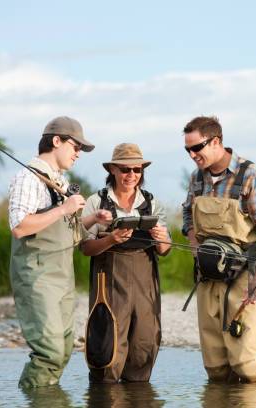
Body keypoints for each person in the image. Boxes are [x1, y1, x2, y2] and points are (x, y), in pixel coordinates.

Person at [9, 116, 111, 388]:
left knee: (64, 349)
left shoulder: (59, 181)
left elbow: (67, 232)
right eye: (75, 146)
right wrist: (64, 209)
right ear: (56, 141)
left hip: (62, 278)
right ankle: (33, 398)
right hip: (38, 277)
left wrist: (92, 220)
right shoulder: (27, 178)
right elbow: (19, 227)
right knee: (49, 353)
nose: (78, 154)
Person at [181, 116, 256, 383]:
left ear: (216, 142)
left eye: (196, 147)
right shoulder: (196, 179)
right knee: (215, 366)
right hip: (206, 277)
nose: (192, 155)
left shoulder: (255, 178)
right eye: (187, 149)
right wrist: (195, 249)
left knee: (246, 362)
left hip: (245, 277)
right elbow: (188, 220)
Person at [81, 143, 171, 383]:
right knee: (107, 346)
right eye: (125, 169)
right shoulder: (95, 202)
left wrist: (162, 240)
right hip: (108, 281)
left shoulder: (153, 204)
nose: (131, 175)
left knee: (145, 343)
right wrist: (111, 239)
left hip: (145, 283)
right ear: (112, 170)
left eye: (137, 170)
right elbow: (85, 248)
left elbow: (164, 251)